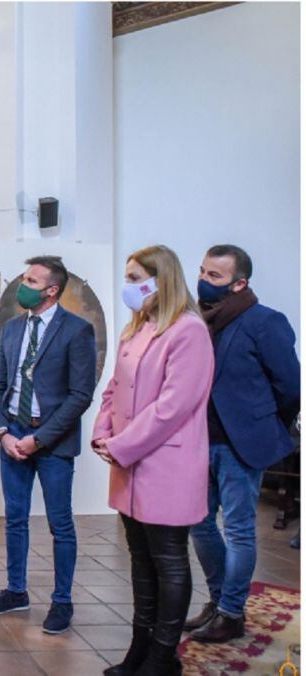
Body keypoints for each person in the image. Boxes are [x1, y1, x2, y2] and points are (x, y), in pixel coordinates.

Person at [92, 245, 215, 676]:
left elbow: (172, 408)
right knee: (140, 560)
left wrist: (122, 445)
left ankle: (164, 657)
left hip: (166, 465)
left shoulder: (188, 331)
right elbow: (114, 390)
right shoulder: (135, 329)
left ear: (160, 280)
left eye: (133, 278)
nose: (126, 286)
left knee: (169, 560)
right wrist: (102, 431)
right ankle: (138, 648)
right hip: (131, 463)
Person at [185, 245, 300, 643]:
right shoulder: (200, 321)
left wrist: (262, 426)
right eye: (202, 271)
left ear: (239, 283)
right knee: (199, 525)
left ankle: (232, 612)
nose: (203, 280)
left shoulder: (265, 321)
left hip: (240, 446)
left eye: (214, 276)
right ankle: (219, 602)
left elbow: (290, 386)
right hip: (200, 441)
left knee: (238, 531)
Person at [0, 255, 97, 635]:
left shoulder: (77, 330)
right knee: (15, 519)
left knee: (60, 524)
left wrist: (38, 439)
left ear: (51, 290)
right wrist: (3, 433)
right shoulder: (12, 329)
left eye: (31, 280)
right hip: (12, 436)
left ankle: (62, 601)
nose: (22, 286)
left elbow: (80, 395)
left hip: (52, 443)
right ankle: (16, 591)